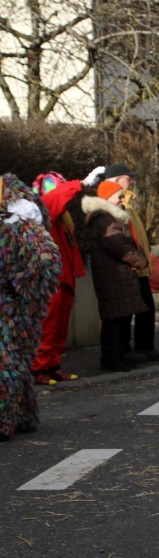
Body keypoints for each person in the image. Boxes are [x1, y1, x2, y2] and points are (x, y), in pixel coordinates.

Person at [0, 174, 61, 440]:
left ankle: (4, 421)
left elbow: (47, 261)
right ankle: (23, 415)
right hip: (17, 306)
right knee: (16, 363)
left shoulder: (21, 221)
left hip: (12, 307)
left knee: (7, 364)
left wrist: (22, 289)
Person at [30, 167, 103, 385]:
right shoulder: (42, 211)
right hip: (52, 280)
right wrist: (80, 184)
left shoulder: (61, 218)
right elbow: (55, 198)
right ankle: (39, 369)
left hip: (63, 279)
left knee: (59, 326)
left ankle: (53, 365)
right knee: (48, 326)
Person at [83, 180, 149, 372]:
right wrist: (140, 259)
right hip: (112, 276)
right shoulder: (105, 220)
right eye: (119, 196)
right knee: (114, 319)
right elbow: (118, 247)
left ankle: (118, 355)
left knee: (120, 318)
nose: (122, 200)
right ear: (107, 198)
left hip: (118, 275)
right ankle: (111, 358)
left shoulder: (110, 218)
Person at [104, 164, 159, 363]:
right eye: (128, 178)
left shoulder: (127, 201)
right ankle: (130, 349)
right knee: (129, 310)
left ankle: (142, 346)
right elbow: (118, 239)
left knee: (144, 307)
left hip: (138, 262)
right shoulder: (118, 204)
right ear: (117, 180)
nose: (131, 181)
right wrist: (136, 258)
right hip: (131, 265)